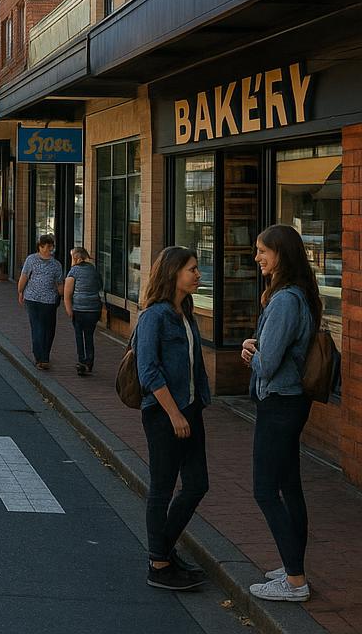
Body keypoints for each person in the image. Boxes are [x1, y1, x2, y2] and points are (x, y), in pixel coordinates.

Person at [241, 224, 319, 603]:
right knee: (289, 486)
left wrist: (250, 353)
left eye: (262, 251)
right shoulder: (294, 294)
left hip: (280, 402)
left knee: (264, 489)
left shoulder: (286, 300)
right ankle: (293, 565)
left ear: (281, 254)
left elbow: (268, 363)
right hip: (290, 401)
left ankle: (294, 580)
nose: (257, 257)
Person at [136, 246, 211, 592]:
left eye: (197, 269)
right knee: (162, 488)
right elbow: (148, 371)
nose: (197, 274)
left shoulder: (186, 310)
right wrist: (174, 413)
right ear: (173, 273)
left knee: (197, 484)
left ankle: (162, 550)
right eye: (192, 269)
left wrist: (191, 409)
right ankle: (159, 563)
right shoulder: (155, 315)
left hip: (190, 409)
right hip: (165, 414)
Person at [17, 234, 63, 369]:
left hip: (48, 300)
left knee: (47, 328)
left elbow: (60, 284)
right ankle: (41, 358)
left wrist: (63, 294)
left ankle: (43, 356)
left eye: (51, 246)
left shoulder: (56, 264)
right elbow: (24, 277)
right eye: (47, 246)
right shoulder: (32, 260)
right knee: (38, 327)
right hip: (33, 299)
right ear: (40, 247)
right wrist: (20, 291)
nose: (50, 249)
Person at [64, 247, 104, 375]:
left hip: (79, 309)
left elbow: (67, 294)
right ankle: (89, 362)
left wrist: (69, 309)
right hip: (94, 309)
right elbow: (100, 286)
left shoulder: (73, 271)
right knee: (89, 335)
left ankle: (81, 361)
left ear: (75, 258)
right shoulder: (93, 270)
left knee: (79, 335)